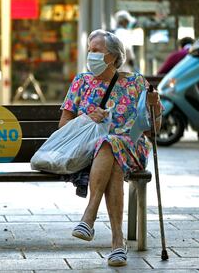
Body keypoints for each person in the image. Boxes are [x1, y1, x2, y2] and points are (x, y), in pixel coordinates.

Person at [59, 29, 162, 267]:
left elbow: (152, 132)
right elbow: (63, 125)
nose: (90, 55)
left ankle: (90, 216)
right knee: (111, 151)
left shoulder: (136, 82)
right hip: (91, 151)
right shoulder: (81, 82)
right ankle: (117, 242)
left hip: (132, 148)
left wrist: (154, 108)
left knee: (111, 144)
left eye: (96, 51)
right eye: (89, 50)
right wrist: (87, 117)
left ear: (114, 57)